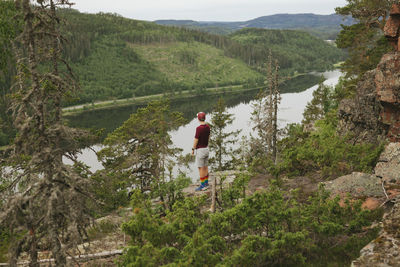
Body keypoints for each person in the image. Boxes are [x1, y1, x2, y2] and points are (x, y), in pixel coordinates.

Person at [192, 112, 210, 191]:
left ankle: (203, 185)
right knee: (205, 167)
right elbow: (208, 137)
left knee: (200, 168)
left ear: (198, 118)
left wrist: (193, 149)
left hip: (200, 150)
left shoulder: (199, 128)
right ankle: (206, 183)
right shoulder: (207, 127)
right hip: (206, 148)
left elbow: (196, 140)